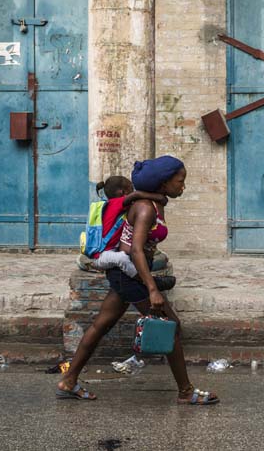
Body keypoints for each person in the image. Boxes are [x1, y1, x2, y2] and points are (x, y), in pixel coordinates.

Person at [57, 156, 219, 405]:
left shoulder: (154, 203)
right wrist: (152, 288)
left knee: (101, 325)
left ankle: (68, 380)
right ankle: (186, 391)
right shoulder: (144, 208)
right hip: (128, 273)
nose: (183, 186)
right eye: (180, 181)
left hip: (128, 274)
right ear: (164, 183)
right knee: (171, 326)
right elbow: (135, 249)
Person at [88, 176, 168, 280]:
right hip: (101, 256)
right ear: (122, 192)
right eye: (131, 188)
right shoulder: (114, 204)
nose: (133, 191)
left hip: (110, 252)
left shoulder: (118, 208)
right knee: (122, 258)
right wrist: (158, 197)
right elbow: (136, 195)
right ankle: (144, 280)